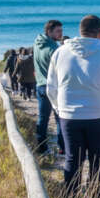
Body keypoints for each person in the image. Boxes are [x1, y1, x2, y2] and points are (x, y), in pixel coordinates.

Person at [46, 15, 100, 198]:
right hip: (99, 114)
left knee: (72, 160)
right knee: (97, 162)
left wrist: (59, 108)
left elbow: (51, 87)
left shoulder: (60, 52)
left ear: (81, 31)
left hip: (69, 116)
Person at [33, 20, 66, 156]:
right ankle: (62, 147)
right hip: (53, 86)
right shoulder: (54, 49)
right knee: (59, 118)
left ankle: (41, 147)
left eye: (61, 31)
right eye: (58, 31)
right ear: (49, 32)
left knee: (43, 118)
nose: (61, 33)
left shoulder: (36, 43)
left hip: (40, 85)